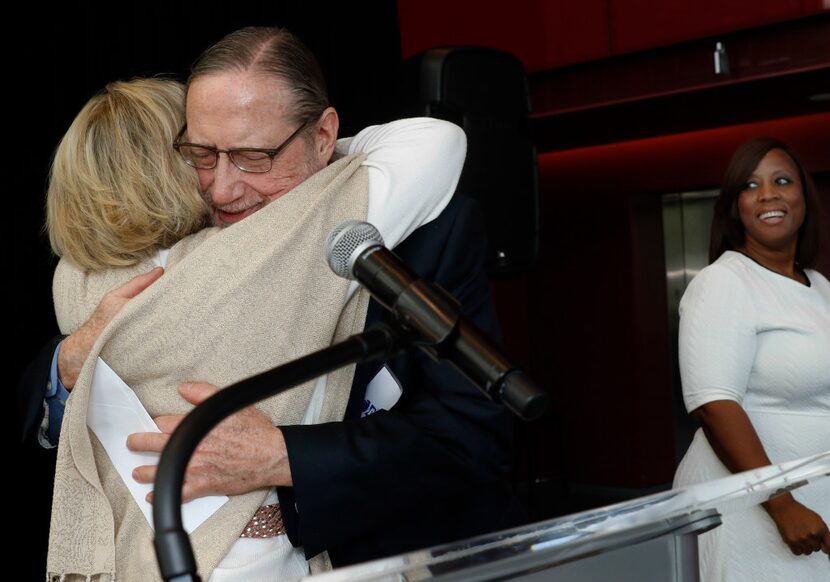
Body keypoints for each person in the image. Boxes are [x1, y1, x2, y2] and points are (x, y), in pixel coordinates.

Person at [21, 27, 519, 581]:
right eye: (201, 154)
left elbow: (473, 436)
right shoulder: (164, 243)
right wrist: (68, 366)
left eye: (254, 157)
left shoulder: (419, 231)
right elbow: (61, 368)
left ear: (325, 136)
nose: (222, 190)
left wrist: (283, 455)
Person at [673, 136, 830, 581]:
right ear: (733, 206)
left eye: (782, 180)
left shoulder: (818, 286)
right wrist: (780, 503)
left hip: (815, 502)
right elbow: (713, 403)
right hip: (755, 509)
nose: (768, 194)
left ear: (804, 196)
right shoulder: (723, 282)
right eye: (750, 185)